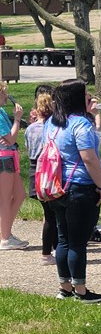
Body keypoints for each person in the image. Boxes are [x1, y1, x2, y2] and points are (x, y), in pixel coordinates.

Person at [44, 79, 101, 302]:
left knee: (63, 240)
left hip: (56, 186)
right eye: (86, 95)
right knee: (78, 242)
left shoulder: (51, 123)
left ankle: (65, 287)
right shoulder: (80, 124)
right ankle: (81, 291)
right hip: (80, 186)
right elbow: (89, 158)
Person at [24, 92, 57, 263]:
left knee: (49, 213)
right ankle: (48, 252)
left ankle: (53, 249)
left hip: (33, 169)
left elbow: (28, 147)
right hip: (48, 170)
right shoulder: (52, 127)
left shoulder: (30, 129)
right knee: (53, 216)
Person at [0, 81, 28, 250]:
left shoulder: (2, 111)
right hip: (4, 158)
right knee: (5, 198)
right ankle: (5, 237)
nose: (6, 96)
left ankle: (6, 232)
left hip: (10, 156)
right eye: (4, 93)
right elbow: (10, 138)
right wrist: (17, 119)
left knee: (19, 195)